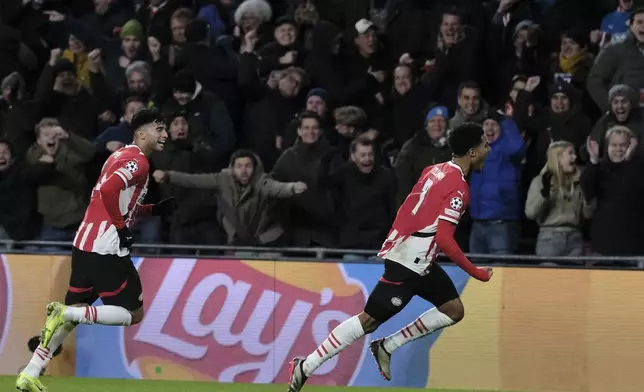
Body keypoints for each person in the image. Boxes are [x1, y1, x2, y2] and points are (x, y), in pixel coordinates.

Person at [286, 122, 494, 392]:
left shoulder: (434, 170)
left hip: (418, 258)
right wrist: (475, 272)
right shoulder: (459, 189)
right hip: (408, 263)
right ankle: (306, 366)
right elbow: (444, 239)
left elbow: (413, 209)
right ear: (473, 152)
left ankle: (387, 345)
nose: (489, 149)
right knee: (369, 321)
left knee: (454, 310)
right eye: (485, 144)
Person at [16, 109, 175, 392]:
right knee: (132, 313)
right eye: (159, 129)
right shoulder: (139, 162)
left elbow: (112, 197)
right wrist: (122, 229)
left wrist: (152, 210)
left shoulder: (118, 156)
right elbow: (110, 191)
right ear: (141, 133)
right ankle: (68, 314)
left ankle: (31, 371)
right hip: (107, 248)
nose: (165, 134)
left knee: (72, 311)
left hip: (85, 244)